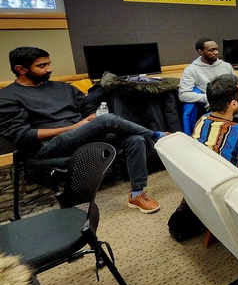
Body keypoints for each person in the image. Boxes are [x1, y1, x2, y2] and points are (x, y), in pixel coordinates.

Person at [0, 47, 163, 214]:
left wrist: (91, 117)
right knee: (106, 120)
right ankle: (158, 135)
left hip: (80, 135)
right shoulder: (7, 98)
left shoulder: (62, 88)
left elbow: (87, 106)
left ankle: (137, 193)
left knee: (134, 140)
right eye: (42, 66)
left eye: (48, 64)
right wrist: (75, 127)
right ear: (21, 69)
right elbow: (21, 135)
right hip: (46, 146)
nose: (49, 69)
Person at [179, 37, 238, 128]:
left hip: (232, 99)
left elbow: (236, 84)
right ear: (200, 52)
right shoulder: (191, 70)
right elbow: (183, 95)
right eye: (211, 50)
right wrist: (207, 97)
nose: (216, 52)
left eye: (216, 49)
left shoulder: (226, 66)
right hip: (214, 104)